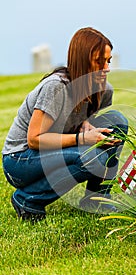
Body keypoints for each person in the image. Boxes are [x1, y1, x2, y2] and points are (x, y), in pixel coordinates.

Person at [2, 27, 128, 221]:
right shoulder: (56, 87)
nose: (107, 68)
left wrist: (85, 123)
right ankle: (28, 199)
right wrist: (82, 138)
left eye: (108, 61)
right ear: (82, 59)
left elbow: (80, 118)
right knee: (92, 157)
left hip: (50, 152)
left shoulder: (104, 90)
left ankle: (97, 198)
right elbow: (34, 140)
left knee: (118, 123)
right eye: (99, 61)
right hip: (20, 160)